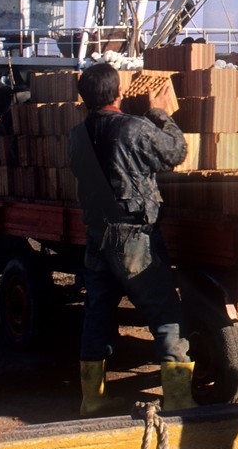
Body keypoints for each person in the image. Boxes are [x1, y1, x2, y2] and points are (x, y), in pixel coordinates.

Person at [68, 62, 194, 418]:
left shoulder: (77, 135)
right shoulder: (133, 127)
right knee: (164, 313)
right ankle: (179, 399)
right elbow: (175, 152)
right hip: (134, 237)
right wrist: (158, 112)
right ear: (119, 93)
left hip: (97, 236)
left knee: (97, 313)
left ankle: (92, 399)